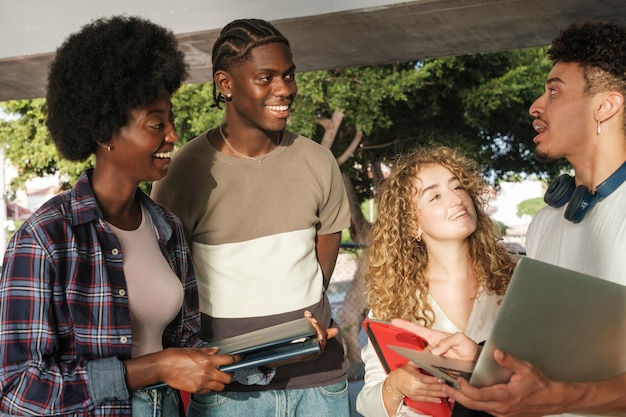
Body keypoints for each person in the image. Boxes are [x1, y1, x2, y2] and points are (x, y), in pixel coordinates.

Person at [0, 15, 245, 417]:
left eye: (171, 119)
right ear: (105, 133)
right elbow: (18, 388)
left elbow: (187, 346)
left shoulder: (168, 231)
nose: (172, 135)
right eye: (156, 123)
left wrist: (280, 347)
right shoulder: (45, 239)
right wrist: (154, 368)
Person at [393, 21, 626, 417]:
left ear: (604, 106)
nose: (536, 106)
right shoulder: (546, 223)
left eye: (554, 92)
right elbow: (551, 348)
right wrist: (483, 358)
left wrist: (566, 397)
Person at [150, 18, 352, 417]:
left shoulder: (317, 160)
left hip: (319, 381)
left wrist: (298, 315)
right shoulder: (183, 172)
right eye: (267, 77)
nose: (285, 89)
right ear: (225, 84)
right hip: (229, 391)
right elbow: (171, 281)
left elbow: (323, 260)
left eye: (289, 75)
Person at [355, 145, 517, 417]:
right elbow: (366, 403)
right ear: (411, 225)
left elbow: (552, 367)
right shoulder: (394, 299)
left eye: (457, 187)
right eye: (435, 197)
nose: (456, 199)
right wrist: (397, 385)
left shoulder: (517, 276)